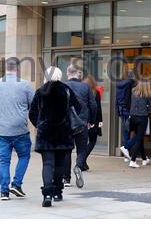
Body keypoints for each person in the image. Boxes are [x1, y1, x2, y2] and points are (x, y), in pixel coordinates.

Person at [29, 67, 81, 207]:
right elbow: (79, 108)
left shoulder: (40, 91)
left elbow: (32, 113)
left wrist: (40, 124)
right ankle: (57, 192)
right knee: (59, 164)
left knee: (47, 164)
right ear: (60, 75)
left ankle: (47, 194)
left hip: (45, 134)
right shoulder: (66, 90)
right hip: (63, 133)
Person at [0, 60, 35, 201]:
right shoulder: (25, 84)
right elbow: (34, 104)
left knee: (4, 161)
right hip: (20, 129)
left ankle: (4, 192)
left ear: (6, 69)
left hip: (1, 130)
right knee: (24, 156)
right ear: (18, 69)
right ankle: (17, 184)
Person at [64, 64, 97, 188]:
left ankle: (66, 179)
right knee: (82, 149)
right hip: (82, 123)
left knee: (67, 150)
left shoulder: (64, 86)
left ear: (67, 74)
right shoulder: (86, 87)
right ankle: (78, 166)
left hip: (66, 124)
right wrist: (92, 121)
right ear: (78, 74)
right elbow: (93, 105)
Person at [128, 78, 151, 168]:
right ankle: (133, 160)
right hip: (142, 118)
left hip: (133, 117)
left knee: (140, 138)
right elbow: (150, 108)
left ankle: (144, 159)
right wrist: (146, 107)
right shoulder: (148, 94)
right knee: (139, 139)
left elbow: (131, 104)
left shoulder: (133, 91)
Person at [83, 75, 103, 171]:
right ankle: (82, 160)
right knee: (92, 141)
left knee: (84, 142)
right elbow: (98, 108)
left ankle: (83, 161)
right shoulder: (96, 93)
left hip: (83, 120)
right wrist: (100, 121)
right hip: (93, 120)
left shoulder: (82, 92)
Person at [117, 73, 136, 161]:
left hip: (122, 110)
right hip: (129, 111)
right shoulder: (131, 85)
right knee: (136, 132)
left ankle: (126, 155)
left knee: (125, 131)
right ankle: (126, 148)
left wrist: (118, 110)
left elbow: (116, 99)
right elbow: (130, 99)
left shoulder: (119, 85)